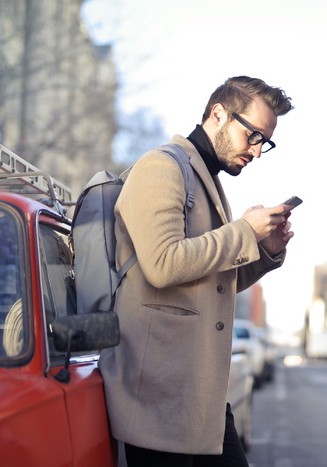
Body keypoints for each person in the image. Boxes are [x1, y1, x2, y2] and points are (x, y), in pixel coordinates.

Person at [99, 76, 295, 467]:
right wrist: (242, 232)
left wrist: (263, 253)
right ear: (218, 114)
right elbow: (163, 264)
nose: (257, 152)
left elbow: (210, 281)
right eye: (252, 135)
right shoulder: (162, 166)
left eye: (265, 143)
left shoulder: (206, 181)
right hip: (158, 398)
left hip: (197, 395)